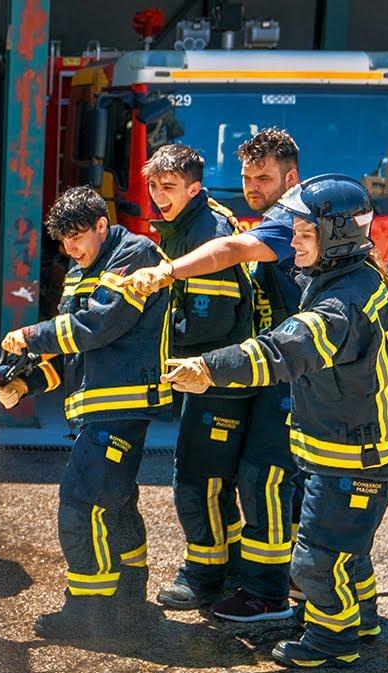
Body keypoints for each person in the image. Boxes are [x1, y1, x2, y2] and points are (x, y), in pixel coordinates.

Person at [162, 174, 388, 667]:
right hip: (361, 452)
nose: (292, 243)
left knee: (317, 559)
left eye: (303, 234)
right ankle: (357, 619)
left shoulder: (341, 306)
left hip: (354, 460)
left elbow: (282, 351)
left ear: (336, 237)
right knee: (348, 550)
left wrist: (208, 368)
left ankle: (331, 641)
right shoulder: (350, 275)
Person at [125, 129, 309, 621]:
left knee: (262, 480)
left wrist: (163, 283)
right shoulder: (268, 219)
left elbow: (225, 264)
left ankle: (263, 592)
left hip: (279, 374)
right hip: (261, 368)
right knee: (248, 478)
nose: (251, 186)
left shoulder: (291, 222)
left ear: (290, 178)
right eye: (247, 176)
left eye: (263, 177)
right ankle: (246, 578)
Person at [0, 186, 171, 640]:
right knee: (114, 501)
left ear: (101, 225)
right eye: (64, 242)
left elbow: (98, 326)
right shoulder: (80, 271)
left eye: (77, 238)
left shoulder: (135, 256)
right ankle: (129, 597)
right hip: (97, 407)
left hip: (122, 405)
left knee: (80, 502)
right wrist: (25, 382)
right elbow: (75, 356)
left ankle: (88, 611)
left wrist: (32, 335)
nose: (71, 249)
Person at [141, 144, 260, 613]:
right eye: (153, 185)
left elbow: (209, 318)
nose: (156, 195)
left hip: (217, 378)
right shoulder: (189, 223)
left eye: (167, 187)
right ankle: (226, 566)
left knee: (197, 477)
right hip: (216, 375)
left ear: (193, 187)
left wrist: (156, 339)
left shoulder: (204, 229)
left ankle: (203, 576)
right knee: (214, 479)